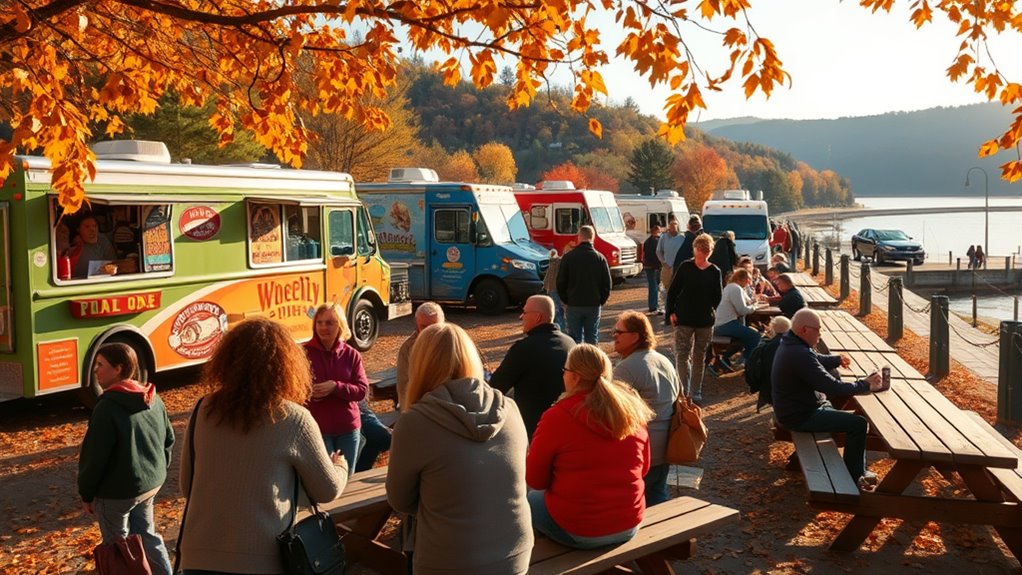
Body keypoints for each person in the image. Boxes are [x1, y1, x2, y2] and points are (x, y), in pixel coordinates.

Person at [178, 318, 348, 573]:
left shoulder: (204, 410)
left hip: (198, 556)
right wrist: (340, 466)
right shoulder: (294, 419)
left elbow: (186, 485)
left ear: (226, 361)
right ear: (286, 366)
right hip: (263, 559)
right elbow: (328, 490)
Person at [387, 323, 532, 575]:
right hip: (514, 551)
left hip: (449, 558)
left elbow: (400, 500)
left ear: (419, 364)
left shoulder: (414, 423)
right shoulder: (510, 408)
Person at [527, 344, 653, 549]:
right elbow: (644, 468)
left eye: (565, 371)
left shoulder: (557, 417)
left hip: (580, 530)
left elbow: (535, 480)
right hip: (630, 522)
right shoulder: (633, 410)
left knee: (530, 499)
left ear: (575, 377)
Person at [78, 343, 174, 575]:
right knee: (147, 536)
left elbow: (94, 458)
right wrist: (156, 471)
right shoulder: (151, 397)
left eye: (101, 365)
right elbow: (168, 439)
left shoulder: (107, 407)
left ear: (119, 368)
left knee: (119, 549)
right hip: (149, 485)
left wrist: (87, 493)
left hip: (116, 493)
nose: (95, 371)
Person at [772, 309, 884, 489]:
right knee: (858, 424)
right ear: (804, 330)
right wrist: (865, 385)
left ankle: (856, 469)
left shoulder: (791, 342)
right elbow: (832, 386)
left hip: (797, 408)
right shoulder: (799, 353)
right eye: (818, 329)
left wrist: (836, 360)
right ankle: (855, 474)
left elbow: (815, 359)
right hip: (800, 416)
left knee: (844, 416)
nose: (820, 334)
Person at [612, 311, 680, 506]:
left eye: (619, 332)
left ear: (635, 336)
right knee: (657, 492)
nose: (614, 336)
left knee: (638, 499)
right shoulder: (662, 359)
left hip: (642, 448)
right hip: (667, 442)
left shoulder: (626, 368)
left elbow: (614, 412)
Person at [490, 295, 575, 439]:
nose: (521, 316)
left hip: (533, 428)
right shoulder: (570, 343)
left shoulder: (524, 349)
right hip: (567, 421)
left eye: (524, 312)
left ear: (537, 317)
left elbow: (496, 387)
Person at [304, 302, 369, 471]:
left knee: (346, 478)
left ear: (340, 325)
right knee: (326, 480)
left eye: (329, 322)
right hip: (317, 429)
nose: (323, 327)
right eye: (319, 322)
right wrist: (308, 393)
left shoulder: (351, 355)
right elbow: (291, 390)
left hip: (348, 429)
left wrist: (336, 387)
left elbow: (362, 391)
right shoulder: (302, 354)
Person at [665, 233, 722, 404]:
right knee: (683, 355)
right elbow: (673, 291)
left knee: (697, 356)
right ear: (696, 249)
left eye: (705, 250)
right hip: (686, 319)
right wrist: (671, 313)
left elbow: (717, 297)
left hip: (702, 320)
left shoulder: (714, 271)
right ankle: (685, 390)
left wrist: (707, 308)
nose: (703, 253)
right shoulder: (686, 267)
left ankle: (694, 391)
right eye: (701, 250)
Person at [557, 225, 612, 344]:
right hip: (593, 303)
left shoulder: (568, 257)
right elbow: (607, 284)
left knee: (574, 339)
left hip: (574, 303)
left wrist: (566, 300)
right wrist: (601, 300)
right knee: (592, 337)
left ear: (579, 237)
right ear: (593, 238)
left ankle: (576, 361)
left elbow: (561, 282)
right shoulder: (600, 258)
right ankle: (592, 361)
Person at [396, 301, 445, 410]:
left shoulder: (454, 342)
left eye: (433, 326)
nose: (429, 331)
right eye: (424, 327)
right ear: (417, 325)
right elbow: (404, 388)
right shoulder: (408, 349)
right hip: (421, 408)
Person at [713, 268, 763, 365]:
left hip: (721, 324)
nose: (749, 283)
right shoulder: (735, 288)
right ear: (743, 279)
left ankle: (726, 358)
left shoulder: (731, 287)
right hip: (726, 324)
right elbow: (742, 310)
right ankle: (746, 362)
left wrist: (754, 302)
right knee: (755, 336)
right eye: (749, 280)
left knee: (744, 337)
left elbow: (748, 301)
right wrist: (754, 307)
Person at [656, 217, 686, 293]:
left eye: (675, 224)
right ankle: (667, 304)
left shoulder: (682, 238)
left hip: (678, 267)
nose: (673, 226)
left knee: (677, 289)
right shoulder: (664, 237)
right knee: (667, 290)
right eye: (671, 224)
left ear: (677, 226)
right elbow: (658, 251)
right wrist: (663, 262)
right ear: (668, 226)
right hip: (667, 267)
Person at [642, 224, 663, 312]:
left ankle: (653, 305)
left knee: (652, 286)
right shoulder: (657, 241)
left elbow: (646, 253)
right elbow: (656, 255)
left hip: (648, 266)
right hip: (654, 266)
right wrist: (658, 266)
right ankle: (654, 306)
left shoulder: (647, 241)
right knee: (655, 286)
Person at [543, 249, 566, 330]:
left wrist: (545, 287)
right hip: (555, 288)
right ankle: (562, 328)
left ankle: (561, 328)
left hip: (553, 288)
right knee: (559, 310)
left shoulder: (554, 263)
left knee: (557, 310)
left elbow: (548, 277)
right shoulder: (557, 262)